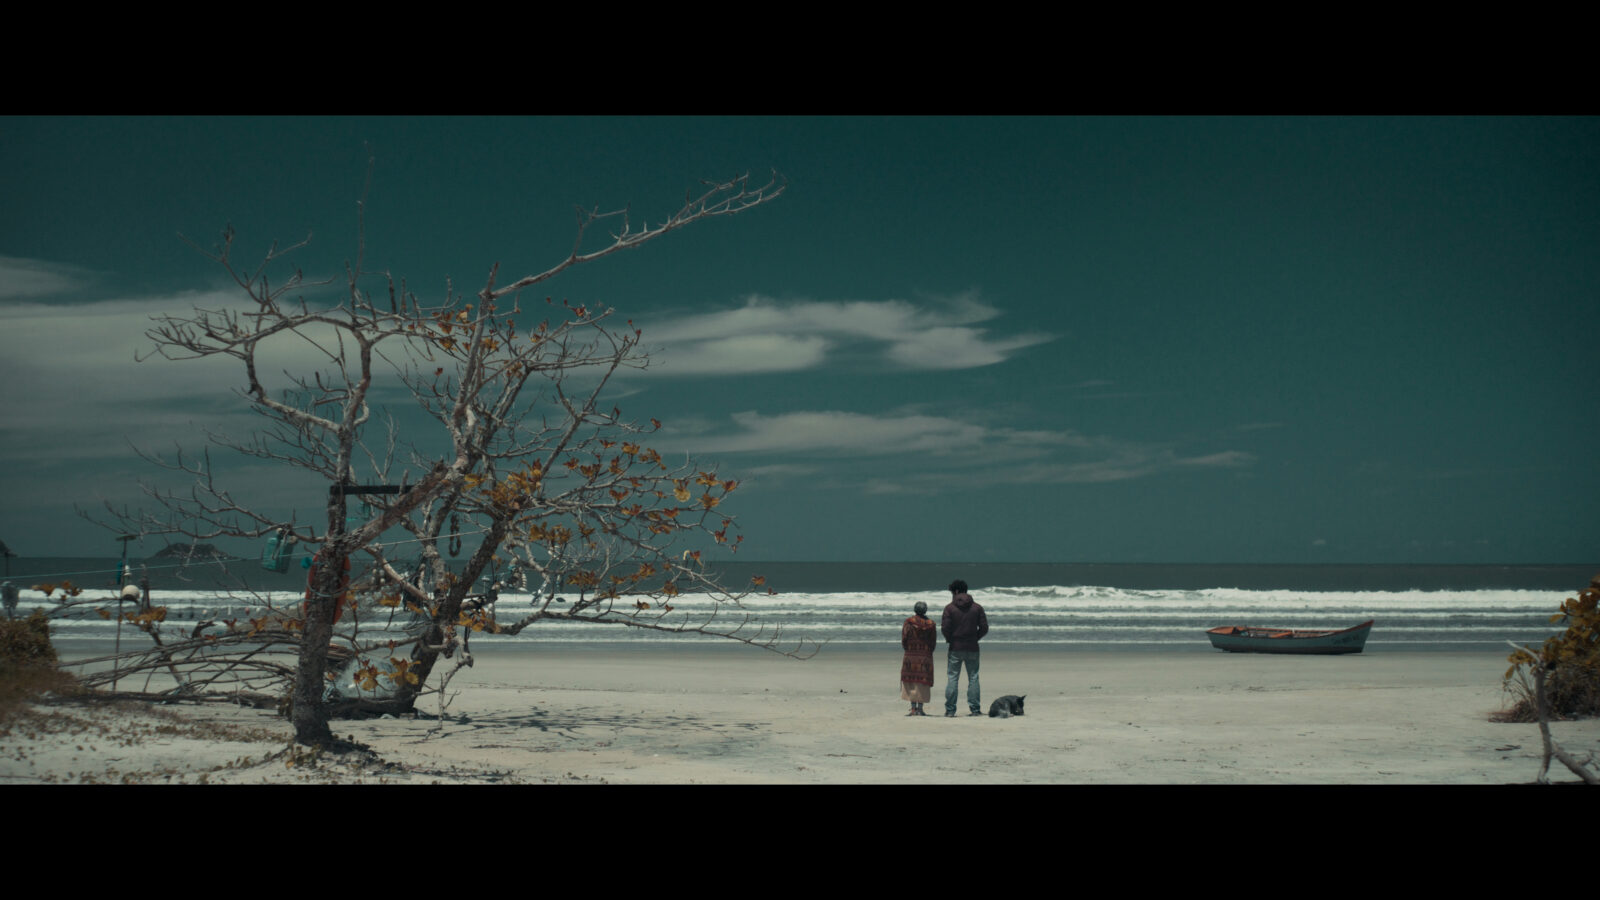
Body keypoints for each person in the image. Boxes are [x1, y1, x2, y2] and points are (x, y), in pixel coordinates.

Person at [941, 579, 988, 717]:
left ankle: (950, 710)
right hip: (972, 647)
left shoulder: (949, 608)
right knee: (973, 677)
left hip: (955, 646)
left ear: (956, 591)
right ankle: (975, 709)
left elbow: (945, 628)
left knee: (953, 677)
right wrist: (975, 637)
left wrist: (950, 639)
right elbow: (984, 628)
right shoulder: (977, 607)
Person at [899, 600, 937, 716]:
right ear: (925, 610)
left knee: (911, 681)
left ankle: (913, 709)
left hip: (911, 655)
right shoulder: (931, 624)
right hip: (925, 655)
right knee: (922, 683)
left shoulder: (908, 622)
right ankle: (920, 709)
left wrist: (908, 649)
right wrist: (928, 652)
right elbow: (933, 642)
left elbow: (904, 639)